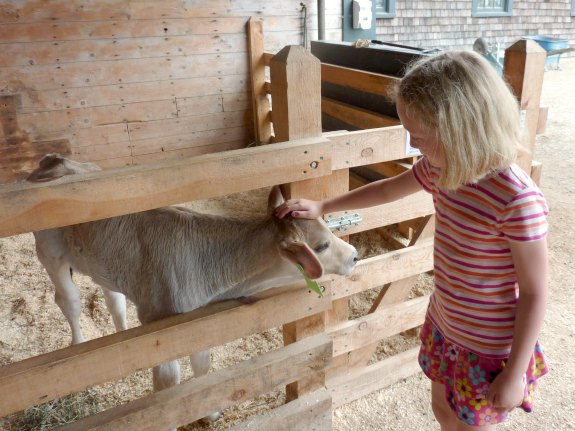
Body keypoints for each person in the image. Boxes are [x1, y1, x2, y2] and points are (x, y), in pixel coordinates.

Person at [274, 50, 548, 431]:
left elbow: (535, 292)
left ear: (460, 131)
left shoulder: (516, 200)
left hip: (487, 346)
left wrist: (515, 373)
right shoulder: (442, 169)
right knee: (443, 410)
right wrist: (323, 206)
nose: (413, 145)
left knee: (471, 425)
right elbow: (388, 190)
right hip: (446, 322)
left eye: (418, 136)